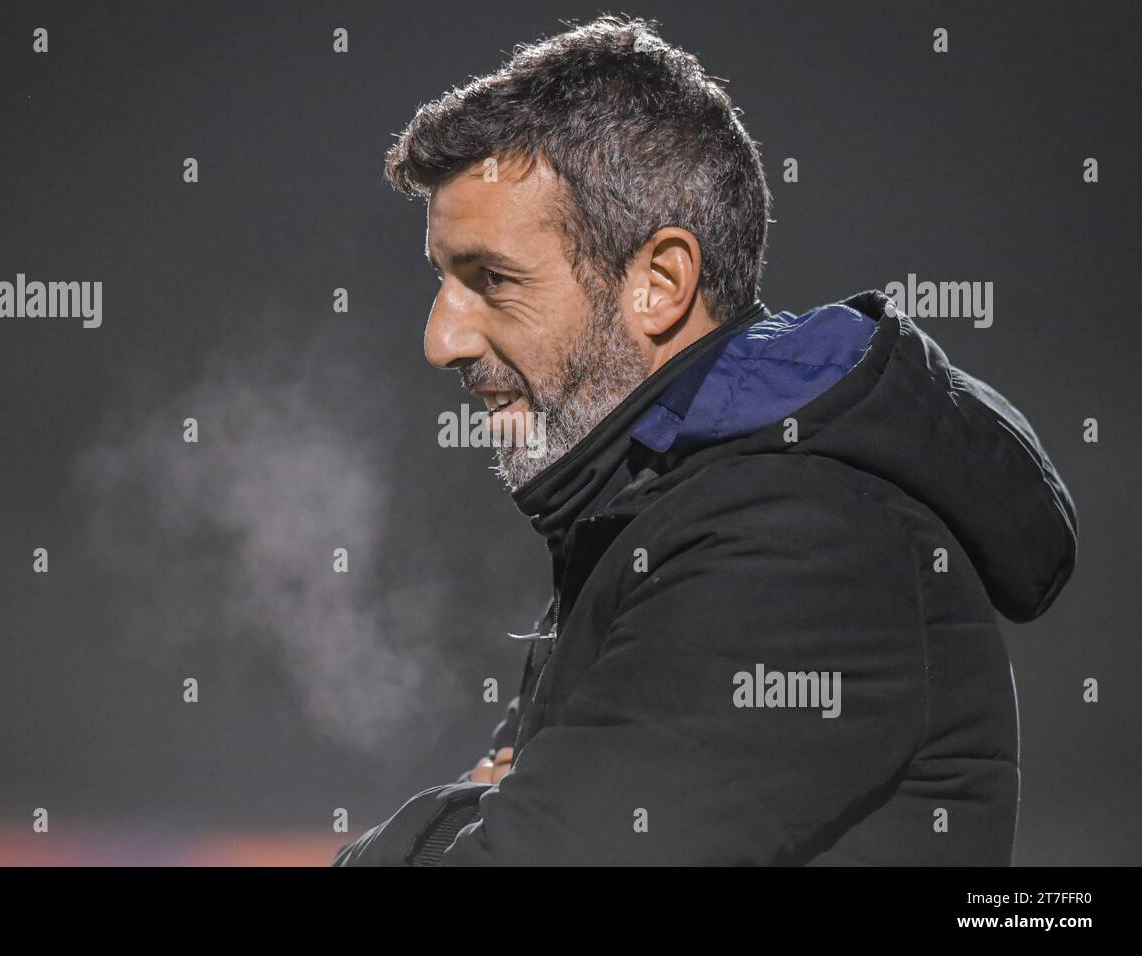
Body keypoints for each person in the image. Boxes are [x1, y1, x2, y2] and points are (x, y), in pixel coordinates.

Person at [333, 15, 1076, 866]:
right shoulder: (654, 513)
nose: (441, 339)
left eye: (491, 278)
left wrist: (422, 833)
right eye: (443, 280)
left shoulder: (799, 540)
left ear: (660, 283)